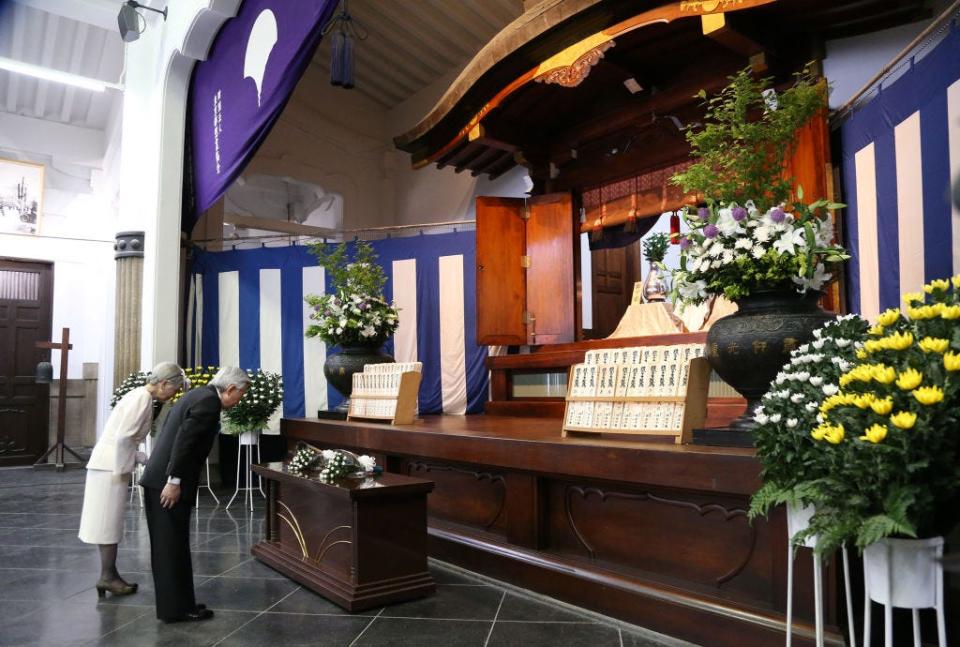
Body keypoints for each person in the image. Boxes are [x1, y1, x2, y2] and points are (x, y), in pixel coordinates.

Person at [140, 366, 249, 623]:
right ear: (231, 389)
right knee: (171, 547)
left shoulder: (200, 395)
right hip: (166, 483)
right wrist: (174, 481)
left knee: (171, 546)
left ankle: (179, 604)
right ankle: (177, 610)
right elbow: (185, 442)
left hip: (159, 479)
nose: (240, 401)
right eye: (241, 395)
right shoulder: (209, 402)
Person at [79, 362, 185, 598]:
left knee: (106, 522)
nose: (174, 395)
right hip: (111, 465)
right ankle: (107, 576)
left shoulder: (137, 395)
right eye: (174, 390)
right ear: (164, 383)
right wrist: (136, 460)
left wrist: (135, 456)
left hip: (107, 462)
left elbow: (123, 437)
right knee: (108, 523)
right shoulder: (143, 399)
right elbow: (124, 437)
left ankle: (109, 574)